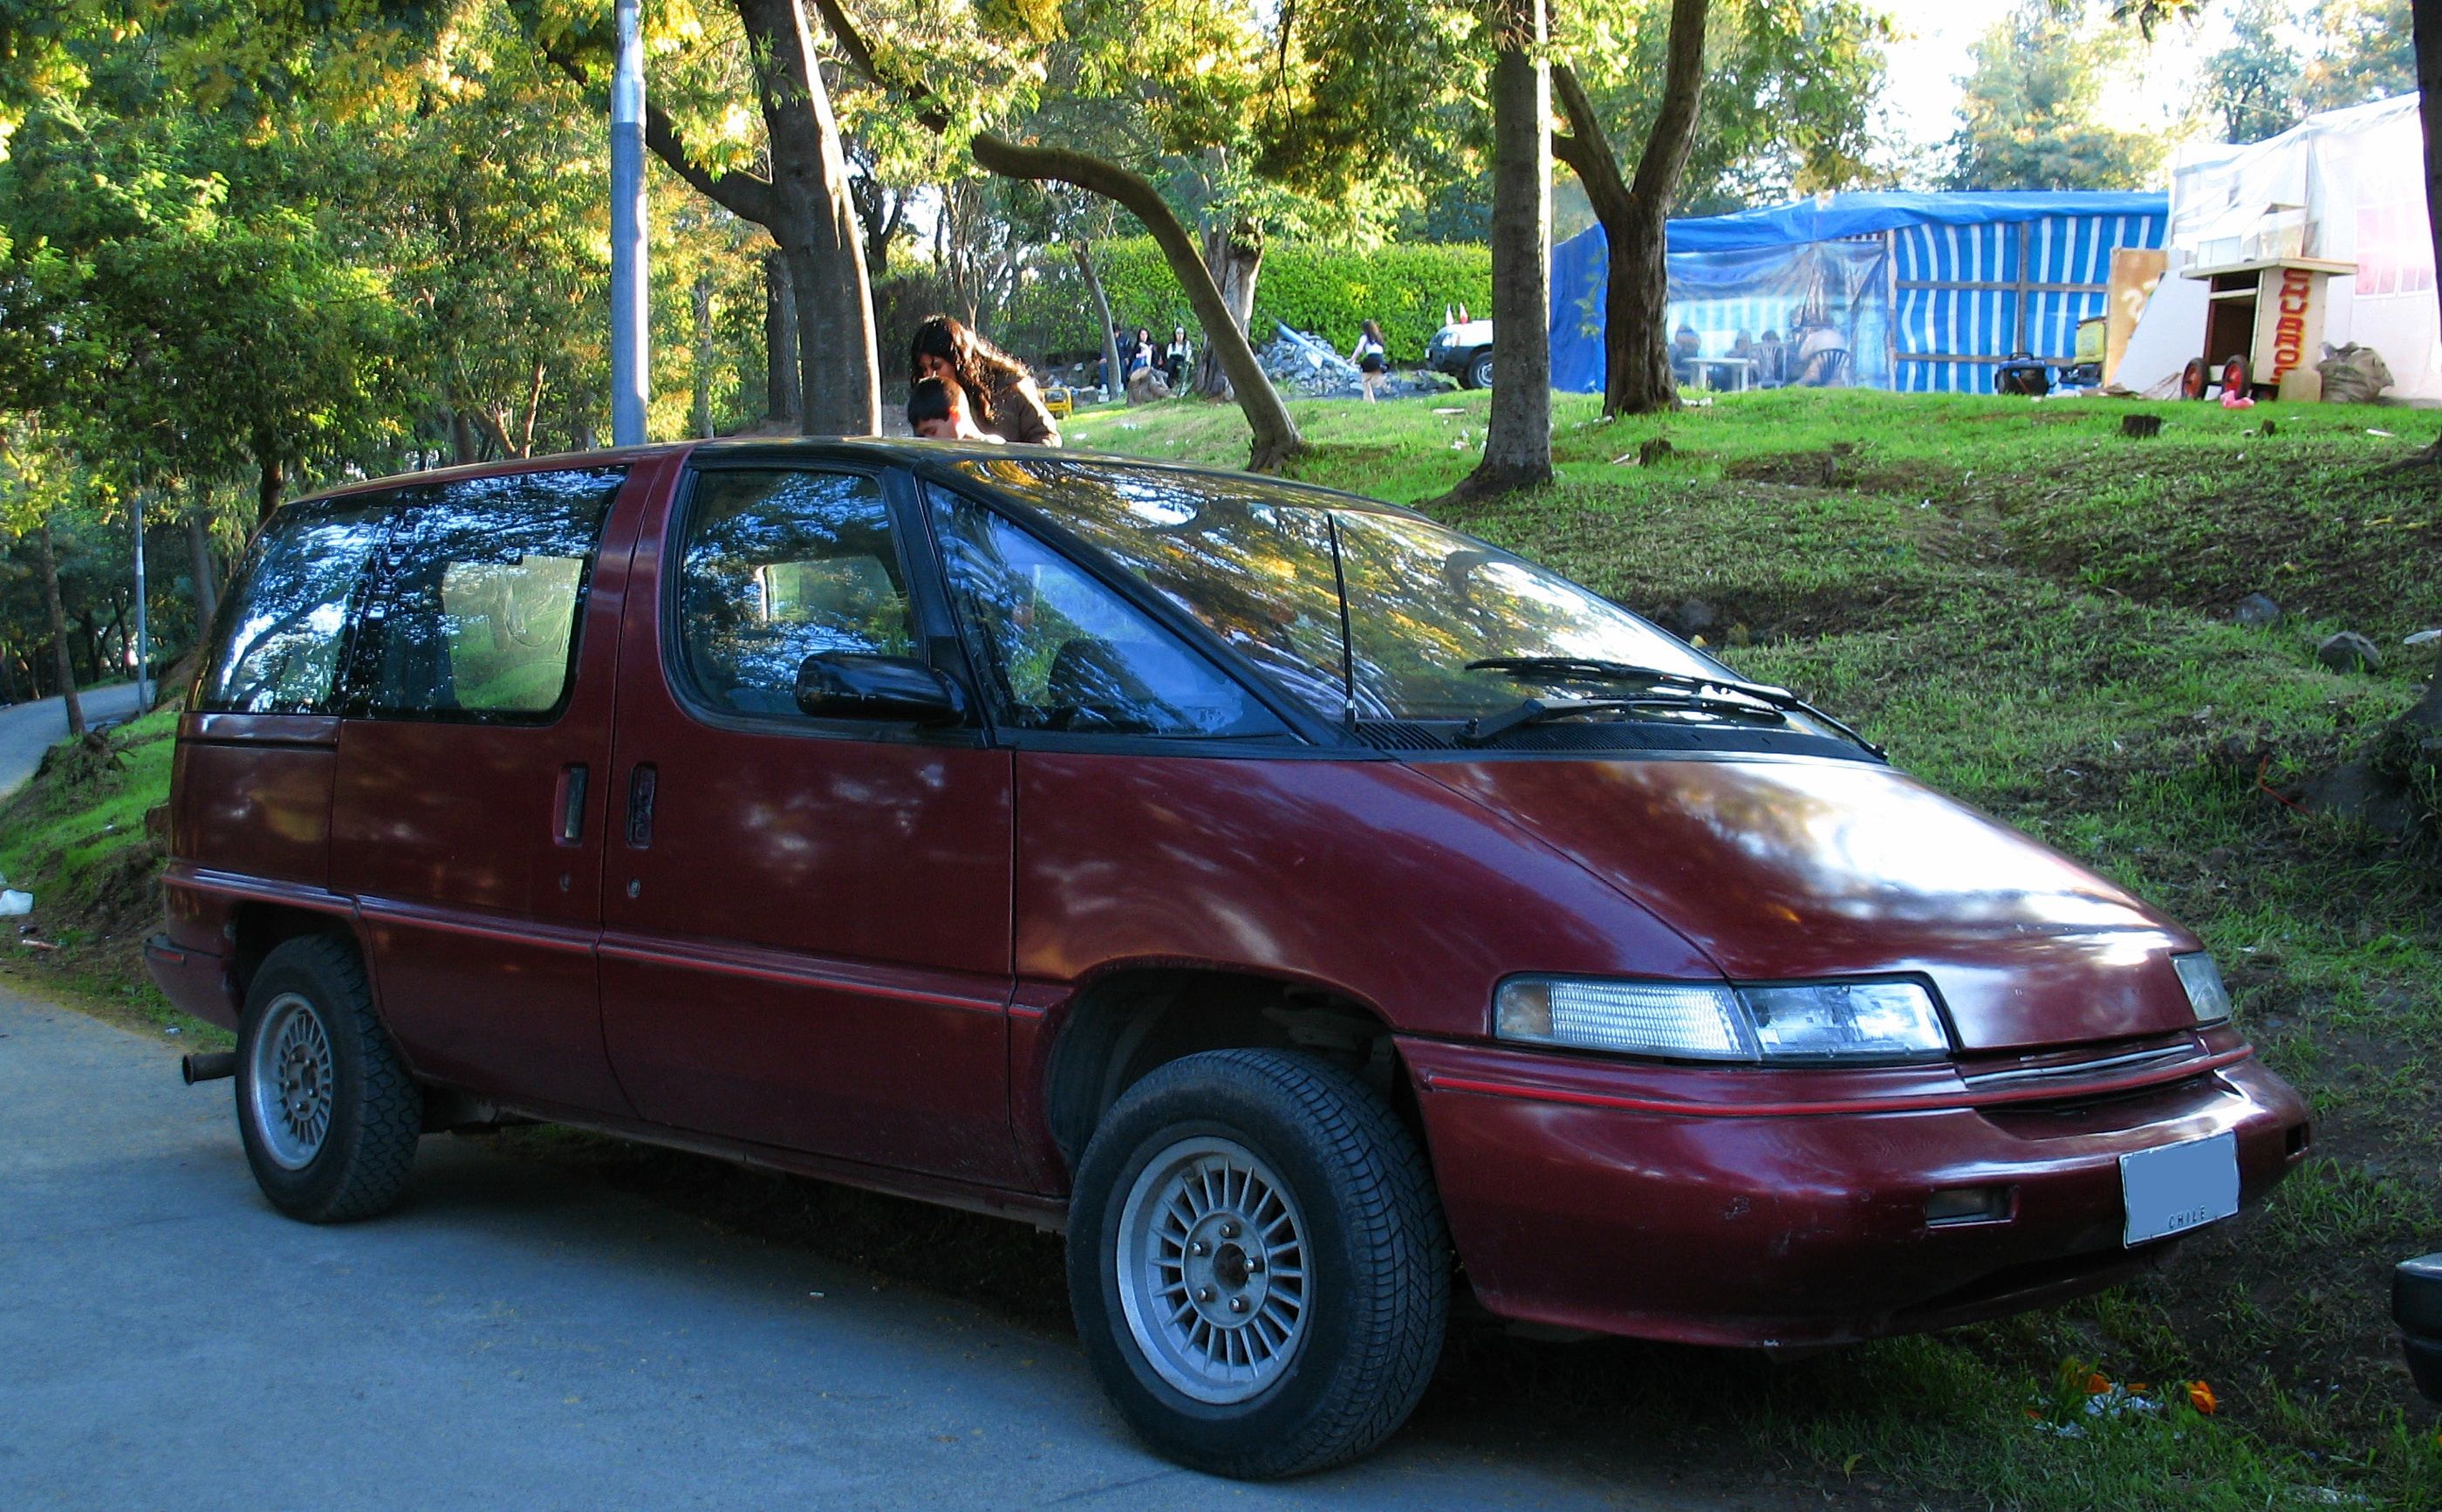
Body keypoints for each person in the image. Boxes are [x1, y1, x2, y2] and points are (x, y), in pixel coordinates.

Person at [910, 315, 1061, 446]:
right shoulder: (930, 402)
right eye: (923, 370)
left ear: (959, 360)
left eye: (937, 365)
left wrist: (1016, 467)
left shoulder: (1010, 386)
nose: (930, 376)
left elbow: (1047, 436)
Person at [906, 376, 999, 441]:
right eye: (922, 437)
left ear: (955, 415)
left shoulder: (995, 451)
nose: (927, 442)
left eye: (932, 432)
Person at [1348, 318, 1388, 402]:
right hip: (1381, 360)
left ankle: (1369, 400)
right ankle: (1380, 383)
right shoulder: (1379, 338)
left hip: (1371, 359)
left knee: (1365, 379)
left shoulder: (1365, 337)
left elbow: (1359, 349)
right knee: (1374, 377)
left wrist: (1352, 359)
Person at [1164, 325, 1192, 389]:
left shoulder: (1187, 344)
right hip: (1173, 361)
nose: (1180, 336)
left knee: (1182, 368)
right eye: (1178, 334)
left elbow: (1188, 355)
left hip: (1183, 362)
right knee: (1171, 365)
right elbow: (1169, 355)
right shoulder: (1171, 345)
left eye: (1181, 334)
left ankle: (1181, 385)